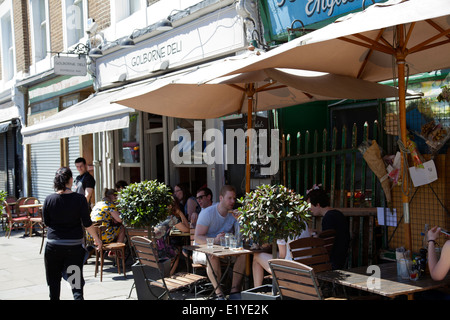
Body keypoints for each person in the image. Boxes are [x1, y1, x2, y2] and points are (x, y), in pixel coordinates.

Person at [43, 167, 102, 300]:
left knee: (53, 284)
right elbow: (87, 224)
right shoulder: (80, 199)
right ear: (70, 180)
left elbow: (47, 222)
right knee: (76, 285)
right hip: (74, 247)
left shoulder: (49, 199)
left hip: (53, 247)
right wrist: (97, 239)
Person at [194, 185, 244, 299]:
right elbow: (197, 237)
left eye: (234, 198)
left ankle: (234, 292)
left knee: (243, 255)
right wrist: (214, 240)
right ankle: (219, 294)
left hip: (224, 251)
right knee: (213, 256)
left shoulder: (233, 215)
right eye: (229, 198)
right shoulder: (208, 213)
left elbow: (240, 238)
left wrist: (240, 221)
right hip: (202, 250)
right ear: (221, 198)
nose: (233, 201)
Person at [252, 222, 311, 288]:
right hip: (306, 265)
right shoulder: (303, 221)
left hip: (291, 269)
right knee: (270, 254)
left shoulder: (282, 224)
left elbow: (282, 255)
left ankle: (257, 289)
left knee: (256, 256)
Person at [305, 188, 350, 270]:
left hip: (332, 262)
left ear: (317, 205)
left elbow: (327, 244)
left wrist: (314, 236)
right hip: (342, 258)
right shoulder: (338, 214)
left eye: (310, 205)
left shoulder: (328, 217)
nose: (309, 209)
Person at [153, 196, 190, 275]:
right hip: (159, 250)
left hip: (149, 248)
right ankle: (168, 275)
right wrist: (180, 212)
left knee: (170, 246)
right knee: (177, 250)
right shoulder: (171, 218)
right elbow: (187, 229)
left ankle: (166, 273)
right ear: (170, 206)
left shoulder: (156, 216)